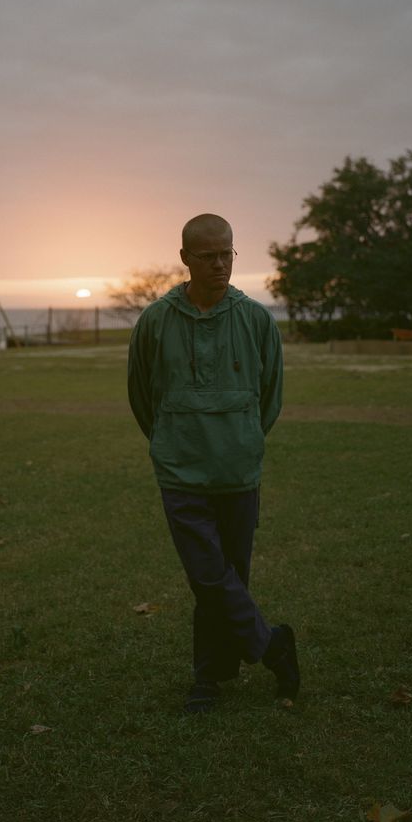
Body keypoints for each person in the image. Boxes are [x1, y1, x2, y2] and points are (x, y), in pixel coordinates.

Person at [127, 213, 299, 714]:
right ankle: (272, 644)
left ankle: (212, 676)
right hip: (181, 472)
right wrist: (173, 441)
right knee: (207, 574)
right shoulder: (157, 320)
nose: (220, 264)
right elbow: (142, 396)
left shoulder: (255, 319)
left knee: (229, 578)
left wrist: (240, 438)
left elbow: (270, 397)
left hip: (237, 471)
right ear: (185, 258)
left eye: (228, 253)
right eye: (208, 256)